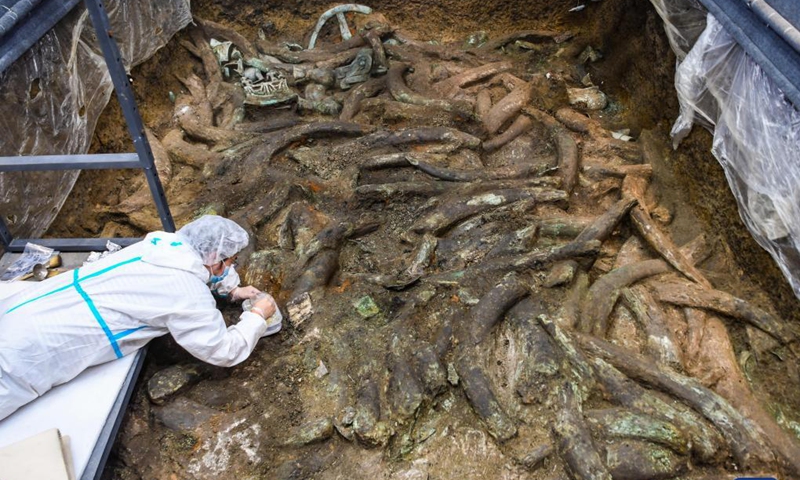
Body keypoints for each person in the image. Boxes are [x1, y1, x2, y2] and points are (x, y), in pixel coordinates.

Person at [0, 215, 280, 421]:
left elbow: (201, 265)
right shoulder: (185, 293)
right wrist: (257, 316)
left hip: (22, 310)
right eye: (229, 261)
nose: (231, 266)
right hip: (28, 356)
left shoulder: (161, 245)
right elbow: (223, 350)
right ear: (214, 258)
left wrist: (231, 289)